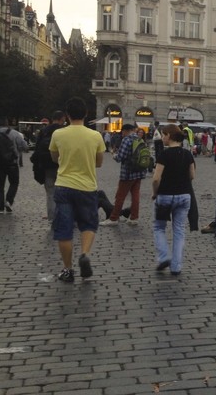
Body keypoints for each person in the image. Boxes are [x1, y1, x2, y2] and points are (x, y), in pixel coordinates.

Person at [48, 96, 106, 282]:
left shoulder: (58, 134)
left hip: (64, 185)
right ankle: (85, 254)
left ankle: (67, 269)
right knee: (88, 224)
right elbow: (98, 163)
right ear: (86, 114)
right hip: (87, 186)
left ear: (67, 115)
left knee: (64, 230)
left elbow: (54, 158)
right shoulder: (95, 136)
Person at [151, 124, 195, 274]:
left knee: (159, 228)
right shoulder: (187, 154)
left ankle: (164, 256)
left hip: (165, 196)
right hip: (183, 196)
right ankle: (176, 266)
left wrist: (155, 193)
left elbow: (156, 178)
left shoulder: (163, 155)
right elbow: (192, 176)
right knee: (179, 231)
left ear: (169, 136)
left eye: (163, 135)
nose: (162, 137)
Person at [102, 124, 146, 226]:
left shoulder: (127, 140)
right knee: (135, 196)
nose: (122, 134)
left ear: (126, 131)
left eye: (122, 132)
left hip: (128, 173)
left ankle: (113, 218)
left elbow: (120, 157)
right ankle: (134, 217)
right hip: (138, 172)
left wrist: (114, 155)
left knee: (120, 196)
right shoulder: (140, 139)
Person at [30, 110, 66, 220]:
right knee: (64, 192)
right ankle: (64, 216)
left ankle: (52, 216)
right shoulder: (63, 131)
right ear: (62, 119)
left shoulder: (44, 131)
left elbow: (37, 150)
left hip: (46, 166)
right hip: (62, 166)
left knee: (50, 192)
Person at [0, 116, 27, 214]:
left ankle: (0, 208)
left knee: (0, 186)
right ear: (7, 123)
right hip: (12, 163)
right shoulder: (15, 133)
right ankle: (9, 201)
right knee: (14, 183)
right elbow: (25, 146)